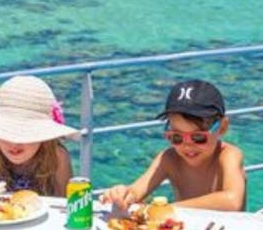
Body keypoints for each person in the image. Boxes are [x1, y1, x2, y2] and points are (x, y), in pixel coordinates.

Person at [101, 79, 245, 212]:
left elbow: (233, 201)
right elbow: (136, 191)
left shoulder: (228, 155)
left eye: (198, 137)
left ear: (222, 127)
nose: (187, 146)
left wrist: (166, 208)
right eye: (176, 137)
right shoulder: (169, 159)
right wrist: (121, 194)